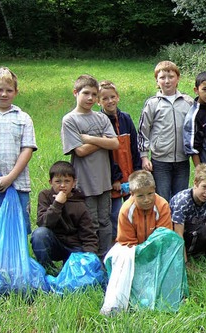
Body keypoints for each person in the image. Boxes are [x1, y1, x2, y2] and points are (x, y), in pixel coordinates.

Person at [101, 170, 182, 315]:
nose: (147, 199)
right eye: (140, 196)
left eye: (150, 194)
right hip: (134, 251)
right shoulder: (126, 210)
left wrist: (151, 254)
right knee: (122, 257)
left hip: (157, 250)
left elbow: (164, 237)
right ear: (131, 194)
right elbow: (127, 242)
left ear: (154, 190)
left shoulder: (162, 205)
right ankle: (117, 303)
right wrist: (141, 257)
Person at [61, 74, 118, 257]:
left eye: (94, 94)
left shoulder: (101, 118)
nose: (90, 98)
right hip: (85, 183)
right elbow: (80, 151)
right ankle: (92, 258)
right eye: (86, 93)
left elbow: (115, 143)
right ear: (75, 93)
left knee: (105, 221)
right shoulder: (70, 120)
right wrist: (103, 140)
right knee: (90, 222)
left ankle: (106, 257)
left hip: (104, 181)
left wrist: (90, 139)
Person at [0, 67, 37, 266]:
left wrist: (10, 178)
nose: (4, 94)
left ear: (16, 92)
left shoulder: (23, 118)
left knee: (17, 229)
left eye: (8, 90)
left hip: (18, 185)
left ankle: (16, 270)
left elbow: (27, 150)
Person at [138, 61, 194, 202]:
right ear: (157, 81)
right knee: (162, 199)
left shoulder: (188, 102)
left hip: (182, 159)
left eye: (171, 76)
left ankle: (178, 224)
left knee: (180, 198)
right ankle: (164, 223)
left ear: (178, 78)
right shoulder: (153, 103)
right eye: (162, 77)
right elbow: (143, 130)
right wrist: (144, 156)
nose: (167, 81)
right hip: (160, 160)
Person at [31, 161, 98, 272]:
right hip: (54, 242)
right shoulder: (45, 196)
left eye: (67, 181)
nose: (62, 185)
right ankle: (48, 270)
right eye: (58, 181)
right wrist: (57, 204)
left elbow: (88, 235)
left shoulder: (80, 203)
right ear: (50, 182)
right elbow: (43, 223)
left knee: (76, 271)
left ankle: (67, 268)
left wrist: (89, 258)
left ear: (74, 183)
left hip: (74, 247)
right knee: (39, 234)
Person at [99, 81, 142, 241]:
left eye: (112, 97)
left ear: (118, 97)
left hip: (130, 173)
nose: (110, 101)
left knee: (134, 209)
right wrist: (115, 178)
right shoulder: (100, 121)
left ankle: (134, 241)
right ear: (99, 101)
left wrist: (137, 172)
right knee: (116, 213)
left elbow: (134, 146)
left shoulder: (126, 118)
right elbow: (106, 154)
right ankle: (116, 244)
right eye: (105, 98)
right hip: (113, 178)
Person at [170, 163, 206, 264]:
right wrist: (185, 264)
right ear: (195, 183)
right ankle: (185, 257)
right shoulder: (183, 201)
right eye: (204, 187)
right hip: (178, 233)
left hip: (195, 230)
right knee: (201, 231)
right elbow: (178, 234)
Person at [183, 72, 206, 167]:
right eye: (205, 89)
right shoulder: (193, 116)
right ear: (196, 90)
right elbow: (193, 148)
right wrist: (199, 170)